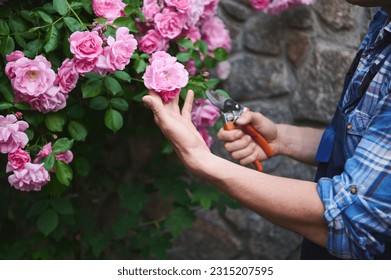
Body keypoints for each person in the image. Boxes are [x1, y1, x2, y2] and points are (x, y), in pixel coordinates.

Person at [142, 1, 391, 260]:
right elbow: (358, 144)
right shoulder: (383, 20)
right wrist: (282, 138)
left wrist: (202, 160)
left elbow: (352, 223)